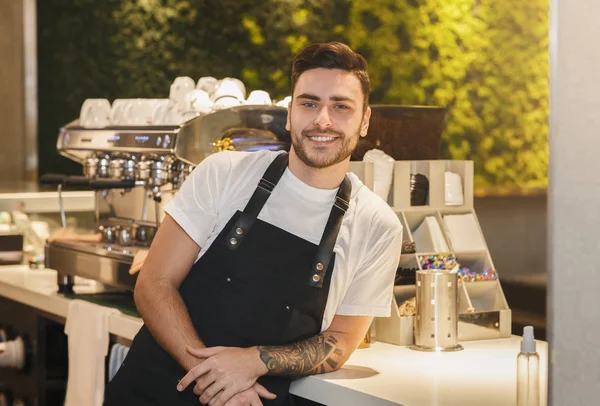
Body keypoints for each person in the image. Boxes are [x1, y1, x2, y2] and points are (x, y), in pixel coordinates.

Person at [104, 41, 403, 406]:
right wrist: (218, 379)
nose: (323, 120)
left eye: (341, 106)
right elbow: (153, 284)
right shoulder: (223, 173)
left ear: (365, 120)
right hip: (154, 390)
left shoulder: (377, 225)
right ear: (291, 113)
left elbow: (341, 341)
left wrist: (253, 361)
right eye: (310, 103)